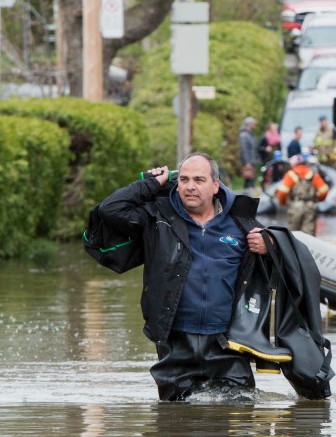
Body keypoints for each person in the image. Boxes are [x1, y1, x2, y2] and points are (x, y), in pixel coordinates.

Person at [97, 152, 270, 401]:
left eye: (199, 180)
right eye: (185, 180)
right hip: (175, 343)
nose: (190, 187)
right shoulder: (157, 219)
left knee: (238, 414)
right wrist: (150, 183)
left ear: (215, 185)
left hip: (227, 345)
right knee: (175, 419)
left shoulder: (241, 225)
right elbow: (109, 209)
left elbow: (284, 269)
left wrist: (270, 245)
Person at [276, 154, 329, 235]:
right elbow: (324, 190)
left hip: (295, 207)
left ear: (292, 164)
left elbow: (282, 192)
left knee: (293, 235)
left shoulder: (290, 175)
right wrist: (317, 199)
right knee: (309, 235)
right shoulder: (313, 174)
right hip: (310, 207)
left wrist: (283, 203)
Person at [239, 116, 259, 189]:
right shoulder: (244, 135)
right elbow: (244, 150)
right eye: (253, 123)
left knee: (251, 181)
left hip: (252, 161)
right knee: (248, 181)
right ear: (249, 124)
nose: (255, 125)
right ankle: (246, 197)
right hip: (248, 162)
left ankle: (249, 197)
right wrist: (247, 163)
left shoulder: (251, 134)